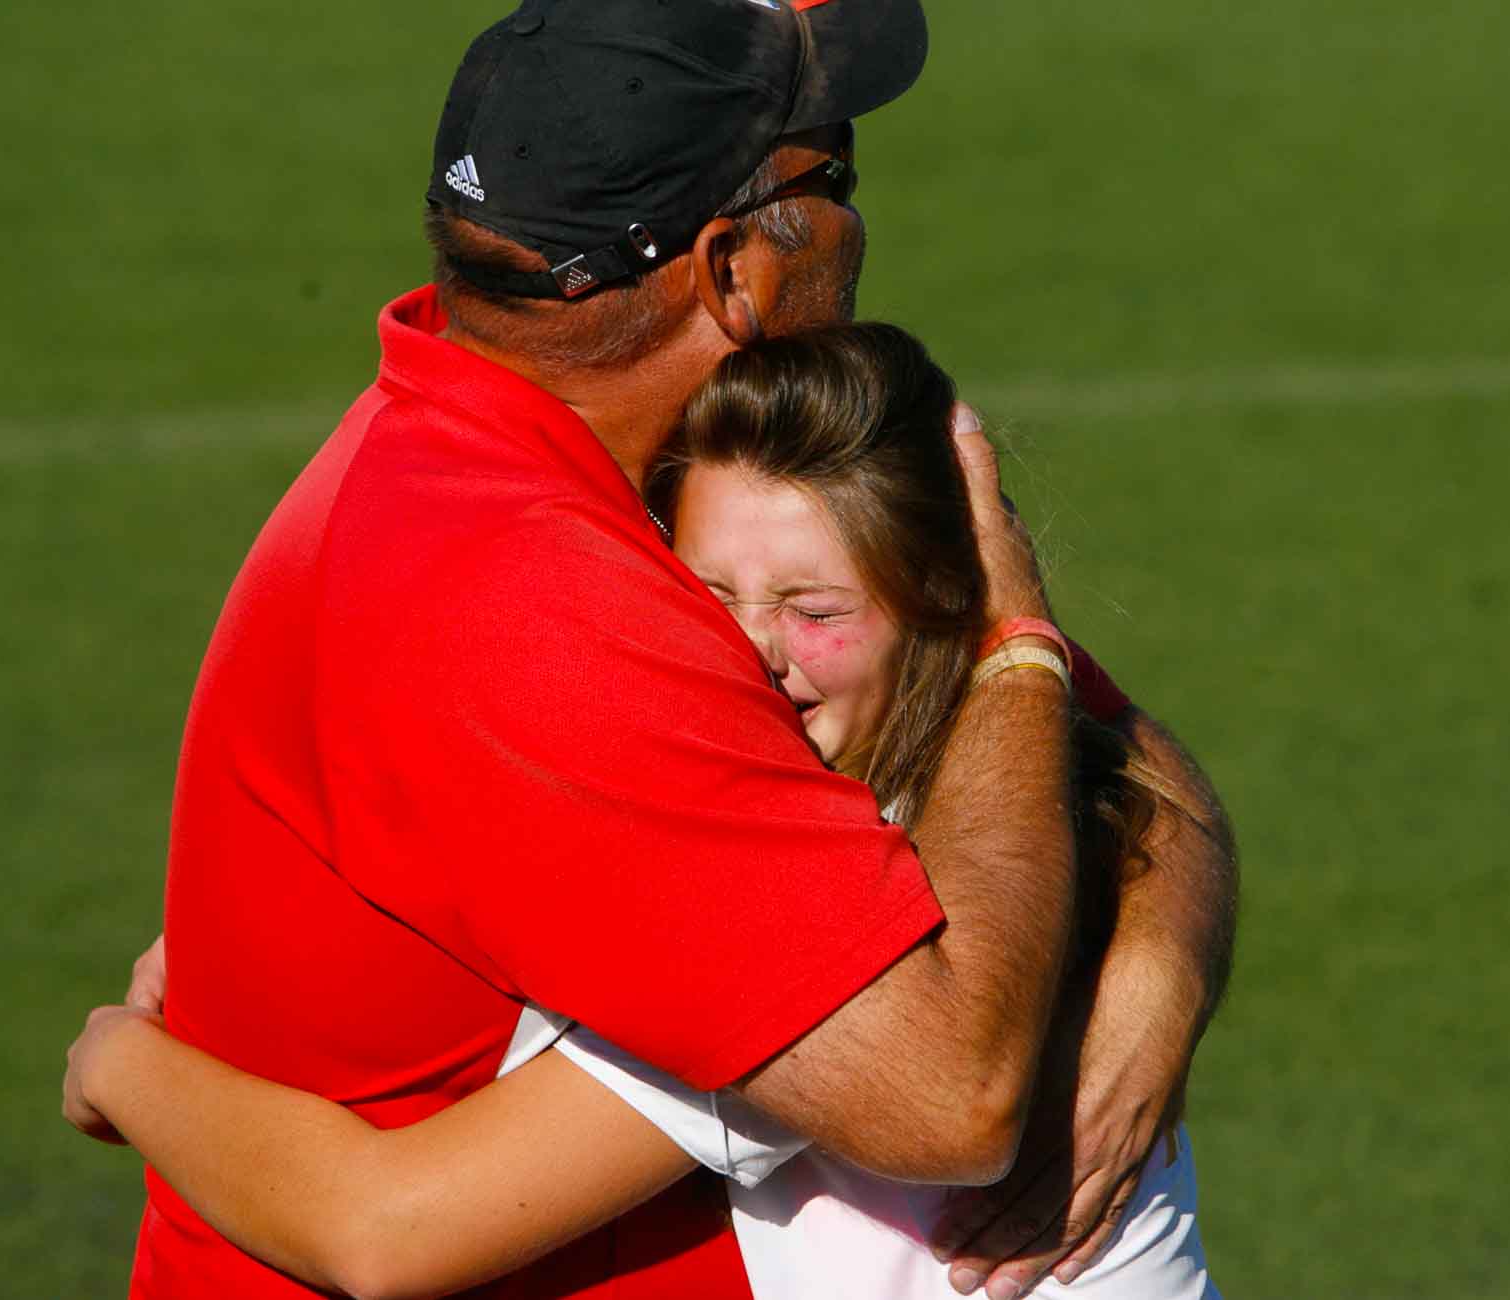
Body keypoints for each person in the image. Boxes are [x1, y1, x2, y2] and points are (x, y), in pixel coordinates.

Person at [66, 4, 1237, 1297]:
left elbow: (1110, 759)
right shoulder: (544, 614)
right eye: (830, 176)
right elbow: (950, 1091)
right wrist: (1014, 640)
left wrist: (1156, 966)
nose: (857, 227)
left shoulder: (628, 484)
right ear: (728, 270)